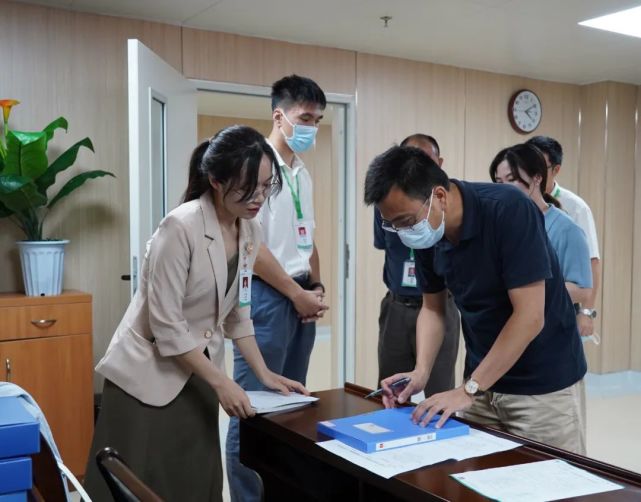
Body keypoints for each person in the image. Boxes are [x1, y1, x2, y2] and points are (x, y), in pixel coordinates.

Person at [83, 126, 308, 502]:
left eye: (267, 187)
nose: (258, 199)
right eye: (248, 189)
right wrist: (221, 382)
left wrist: (265, 375)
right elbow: (167, 326)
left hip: (197, 373)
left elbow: (237, 313)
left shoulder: (248, 231)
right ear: (217, 181)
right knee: (136, 482)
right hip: (146, 377)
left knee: (193, 479)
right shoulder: (181, 226)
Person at [364, 145, 587, 454]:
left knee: (556, 486)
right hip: (483, 383)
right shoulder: (430, 230)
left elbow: (530, 316)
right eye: (393, 225)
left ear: (439, 197)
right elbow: (433, 308)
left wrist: (469, 389)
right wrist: (421, 371)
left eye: (405, 220)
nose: (403, 232)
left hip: (542, 387)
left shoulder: (508, 209)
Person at [226, 75, 328, 502]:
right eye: (306, 117)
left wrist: (315, 287)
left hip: (300, 294)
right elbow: (255, 246)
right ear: (279, 115)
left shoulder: (302, 174)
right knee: (252, 409)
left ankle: (280, 491)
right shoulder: (259, 169)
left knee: (290, 402)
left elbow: (306, 239)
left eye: (318, 120)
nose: (312, 127)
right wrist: (294, 293)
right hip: (269, 297)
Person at [374, 133, 459, 396]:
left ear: (439, 163)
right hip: (398, 305)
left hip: (440, 305)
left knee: (440, 392)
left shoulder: (448, 206)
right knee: (391, 390)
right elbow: (382, 244)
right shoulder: (387, 204)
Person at [489, 143, 592, 307]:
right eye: (499, 182)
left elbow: (582, 289)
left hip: (550, 326)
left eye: (511, 179)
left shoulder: (565, 229)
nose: (504, 189)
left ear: (537, 177)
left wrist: (530, 294)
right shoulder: (500, 224)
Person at [526, 136, 600, 337]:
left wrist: (587, 312)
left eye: (539, 166)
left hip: (561, 303)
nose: (532, 172)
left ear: (556, 170)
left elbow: (592, 262)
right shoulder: (517, 202)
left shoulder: (575, 207)